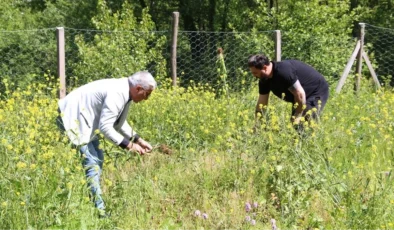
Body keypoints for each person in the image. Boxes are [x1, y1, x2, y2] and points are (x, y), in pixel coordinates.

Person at [56, 71, 156, 218]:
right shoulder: (118, 92)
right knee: (92, 163)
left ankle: (93, 201)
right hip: (71, 115)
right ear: (138, 89)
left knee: (98, 158)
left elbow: (119, 123)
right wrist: (129, 146)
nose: (146, 99)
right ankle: (99, 212)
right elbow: (106, 127)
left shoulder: (125, 91)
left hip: (84, 119)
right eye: (147, 94)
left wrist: (138, 140)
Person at [248, 54, 329, 129]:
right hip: (299, 97)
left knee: (303, 124)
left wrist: (297, 115)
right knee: (295, 126)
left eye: (255, 72)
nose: (254, 75)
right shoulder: (264, 79)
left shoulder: (283, 72)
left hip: (315, 91)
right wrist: (257, 124)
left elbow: (300, 93)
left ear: (265, 68)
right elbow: (262, 103)